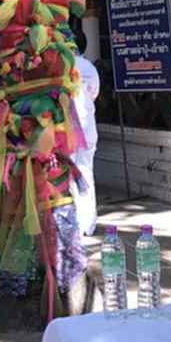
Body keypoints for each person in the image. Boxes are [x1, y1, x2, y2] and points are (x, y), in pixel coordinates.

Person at [71, 30, 100, 236]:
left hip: (69, 127)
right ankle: (88, 222)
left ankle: (74, 222)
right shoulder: (90, 67)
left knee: (69, 174)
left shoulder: (64, 66)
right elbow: (94, 94)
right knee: (86, 170)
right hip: (88, 125)